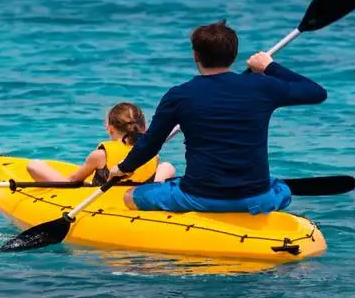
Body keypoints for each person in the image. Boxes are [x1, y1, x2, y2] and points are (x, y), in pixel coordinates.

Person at [108, 21, 326, 215]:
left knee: (130, 196)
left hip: (199, 196)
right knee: (282, 190)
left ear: (195, 55)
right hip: (256, 198)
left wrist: (123, 168)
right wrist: (269, 66)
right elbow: (316, 92)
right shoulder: (263, 86)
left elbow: (150, 144)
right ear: (234, 55)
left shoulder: (179, 95)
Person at [26, 102, 177, 185]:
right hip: (137, 196)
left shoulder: (100, 155)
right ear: (143, 128)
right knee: (167, 167)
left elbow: (73, 180)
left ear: (110, 128)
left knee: (34, 165)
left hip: (106, 200)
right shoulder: (152, 154)